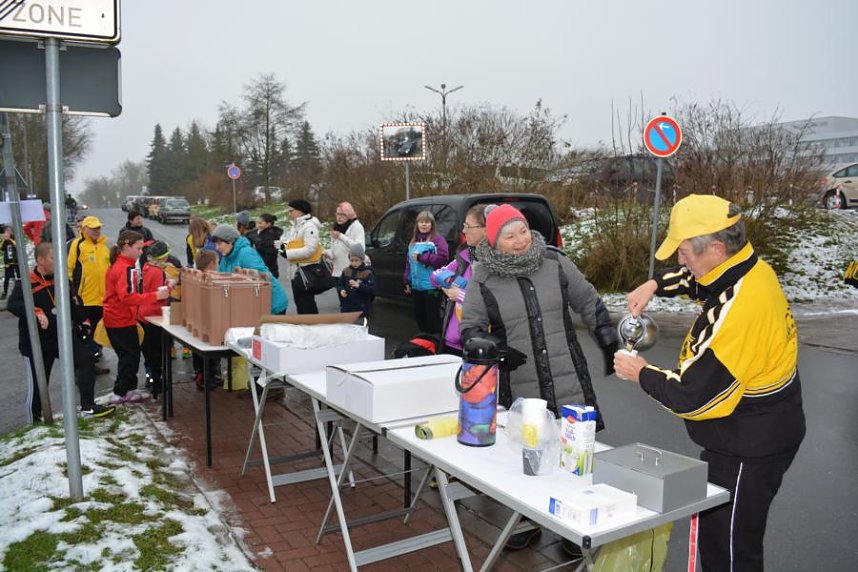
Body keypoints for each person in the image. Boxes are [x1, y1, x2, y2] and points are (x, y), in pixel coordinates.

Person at [613, 194, 805, 571]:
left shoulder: (740, 311)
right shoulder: (745, 265)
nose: (679, 261)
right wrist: (655, 284)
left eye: (684, 252)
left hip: (749, 444)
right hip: (757, 429)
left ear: (716, 247)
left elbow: (694, 397)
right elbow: (699, 281)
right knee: (723, 538)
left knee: (728, 550)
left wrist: (642, 372)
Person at [460, 204, 618, 553]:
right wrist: (494, 347)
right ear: (493, 240)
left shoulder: (555, 262)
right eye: (508, 235)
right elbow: (469, 327)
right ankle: (528, 519)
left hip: (569, 379)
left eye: (521, 231)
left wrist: (608, 338)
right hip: (522, 385)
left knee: (575, 457)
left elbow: (588, 302)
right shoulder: (483, 277)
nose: (518, 241)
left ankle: (573, 527)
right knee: (528, 456)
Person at [7, 242, 115, 421]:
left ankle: (87, 406)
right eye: (53, 258)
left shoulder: (62, 279)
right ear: (40, 260)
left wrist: (84, 321)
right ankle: (34, 421)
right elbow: (13, 305)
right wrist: (36, 311)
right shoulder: (27, 282)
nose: (58, 262)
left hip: (62, 337)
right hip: (37, 342)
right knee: (40, 382)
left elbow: (73, 304)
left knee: (86, 359)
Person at [103, 230, 169, 404]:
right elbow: (127, 297)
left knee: (132, 355)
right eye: (139, 249)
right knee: (129, 356)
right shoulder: (123, 267)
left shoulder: (126, 265)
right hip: (119, 319)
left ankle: (129, 389)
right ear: (126, 246)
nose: (141, 253)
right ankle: (121, 392)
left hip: (125, 317)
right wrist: (155, 296)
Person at [429, 205, 486, 355]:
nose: (464, 231)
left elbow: (493, 304)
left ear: (486, 229)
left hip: (478, 344)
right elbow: (435, 276)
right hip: (451, 341)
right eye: (464, 225)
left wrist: (459, 295)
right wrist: (447, 281)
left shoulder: (494, 264)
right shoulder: (465, 256)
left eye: (469, 226)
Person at [211, 224, 288, 315]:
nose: (217, 248)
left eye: (219, 244)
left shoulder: (246, 253)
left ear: (230, 241)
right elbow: (221, 278)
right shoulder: (227, 257)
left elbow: (262, 278)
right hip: (252, 302)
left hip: (272, 303)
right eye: (215, 244)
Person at [68, 215, 111, 363]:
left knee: (98, 331)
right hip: (84, 298)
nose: (96, 231)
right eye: (93, 228)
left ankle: (95, 359)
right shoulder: (77, 245)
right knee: (85, 331)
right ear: (84, 229)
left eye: (98, 228)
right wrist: (72, 292)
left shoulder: (104, 247)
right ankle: (86, 364)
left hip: (102, 299)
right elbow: (69, 268)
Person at [403, 210, 449, 335]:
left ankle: (436, 345)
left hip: (432, 287)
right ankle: (425, 344)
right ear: (417, 224)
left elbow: (443, 258)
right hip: (417, 287)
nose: (424, 225)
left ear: (432, 225)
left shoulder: (438, 240)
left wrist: (423, 257)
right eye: (421, 222)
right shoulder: (413, 241)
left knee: (433, 320)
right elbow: (409, 263)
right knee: (420, 318)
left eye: (427, 222)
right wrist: (407, 280)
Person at [137, 241, 173, 398]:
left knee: (148, 352)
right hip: (154, 315)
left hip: (143, 313)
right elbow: (160, 295)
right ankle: (158, 384)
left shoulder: (146, 267)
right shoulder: (158, 271)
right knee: (157, 352)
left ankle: (151, 379)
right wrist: (170, 285)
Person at [278, 199, 322, 314]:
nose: (289, 213)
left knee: (306, 304)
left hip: (306, 270)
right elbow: (292, 242)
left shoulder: (309, 227)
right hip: (296, 271)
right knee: (300, 302)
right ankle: (304, 327)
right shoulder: (296, 226)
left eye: (291, 210)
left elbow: (310, 249)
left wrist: (288, 254)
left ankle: (311, 327)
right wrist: (282, 246)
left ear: (300, 211)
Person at [337, 243, 375, 318]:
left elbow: (372, 289)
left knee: (359, 327)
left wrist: (359, 286)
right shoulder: (346, 271)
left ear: (362, 259)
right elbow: (340, 284)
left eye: (356, 260)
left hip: (361, 308)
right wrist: (341, 290)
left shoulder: (367, 272)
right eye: (351, 260)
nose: (354, 263)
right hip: (347, 307)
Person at [329, 201, 366, 277]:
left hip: (351, 273)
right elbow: (336, 249)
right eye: (338, 214)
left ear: (349, 215)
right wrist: (329, 254)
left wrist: (341, 236)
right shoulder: (337, 227)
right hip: (337, 272)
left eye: (343, 215)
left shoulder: (356, 226)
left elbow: (360, 249)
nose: (339, 217)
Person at [253, 213, 283, 278]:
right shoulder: (262, 233)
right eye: (257, 223)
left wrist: (261, 265)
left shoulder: (270, 235)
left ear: (268, 224)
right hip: (265, 268)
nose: (258, 225)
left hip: (268, 270)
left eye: (260, 223)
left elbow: (271, 254)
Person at [1, 225, 19, 300]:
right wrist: (5, 240)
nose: (6, 232)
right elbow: (1, 248)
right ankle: (5, 293)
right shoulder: (4, 240)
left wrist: (10, 240)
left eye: (8, 231)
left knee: (18, 277)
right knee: (7, 278)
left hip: (16, 262)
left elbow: (17, 245)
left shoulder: (15, 238)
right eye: (5, 231)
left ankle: (19, 291)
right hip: (8, 263)